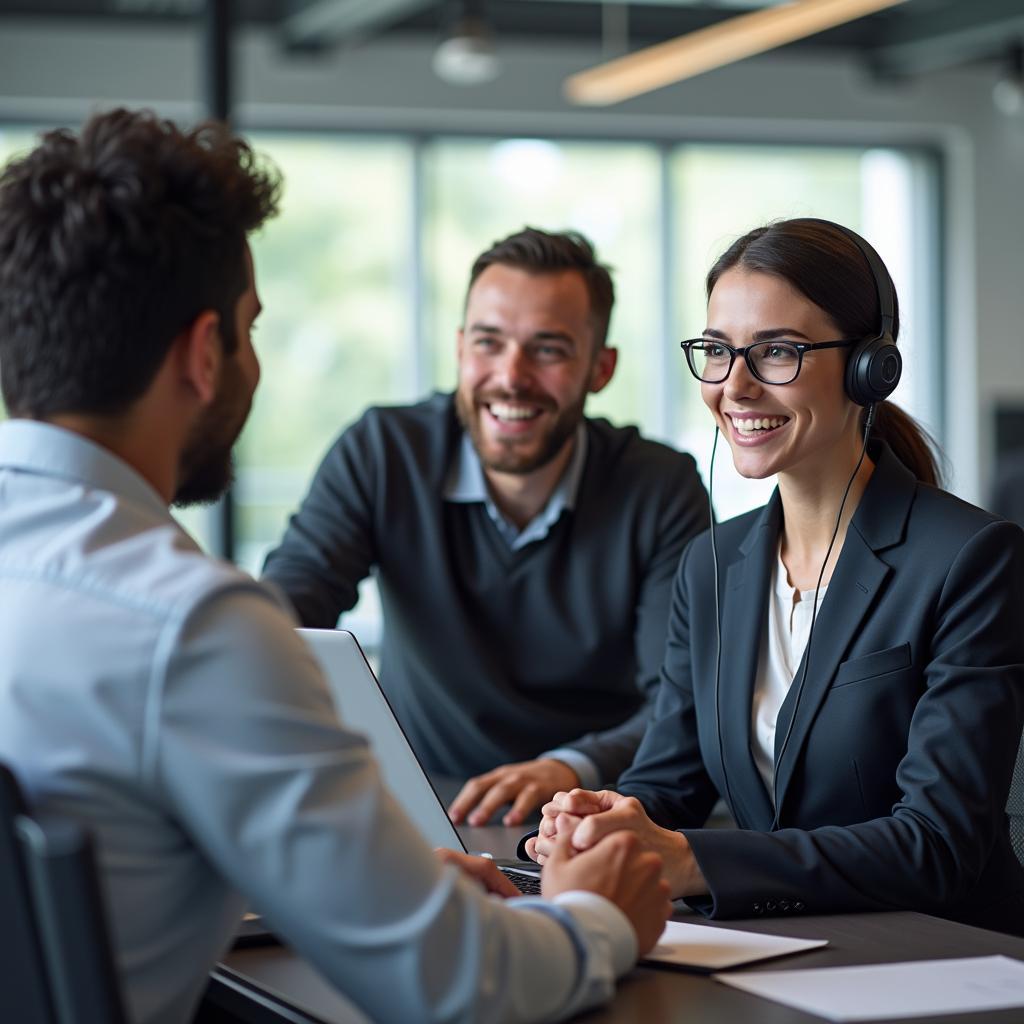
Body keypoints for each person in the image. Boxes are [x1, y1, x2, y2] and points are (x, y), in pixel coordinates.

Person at [0, 109, 673, 1024]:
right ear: (207, 353)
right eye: (251, 327)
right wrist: (598, 916)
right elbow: (457, 986)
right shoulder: (194, 628)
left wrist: (368, 877)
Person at [527, 218, 1024, 937]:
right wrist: (600, 825)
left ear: (868, 368)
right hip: (783, 950)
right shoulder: (712, 566)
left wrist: (692, 861)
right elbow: (669, 784)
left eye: (778, 353)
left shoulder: (971, 557)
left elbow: (938, 845)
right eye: (719, 352)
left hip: (941, 956)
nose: (736, 387)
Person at [262, 227, 709, 826]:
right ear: (459, 347)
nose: (511, 376)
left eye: (548, 349)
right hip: (415, 812)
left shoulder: (660, 487)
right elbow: (289, 606)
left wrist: (572, 766)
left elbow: (683, 700)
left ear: (600, 368)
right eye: (488, 343)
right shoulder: (383, 452)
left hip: (588, 814)